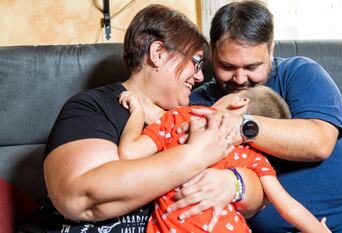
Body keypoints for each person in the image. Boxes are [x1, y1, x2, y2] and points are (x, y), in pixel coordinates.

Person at [18, 4, 262, 233]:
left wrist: (234, 183)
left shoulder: (192, 117)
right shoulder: (92, 107)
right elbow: (82, 197)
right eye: (196, 62)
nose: (199, 77)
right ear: (158, 53)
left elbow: (257, 194)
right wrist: (194, 157)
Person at [189, 1, 342, 232]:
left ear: (271, 50)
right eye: (227, 66)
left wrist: (241, 126)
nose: (239, 78)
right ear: (212, 52)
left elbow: (319, 143)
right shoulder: (198, 103)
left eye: (251, 66)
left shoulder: (298, 73)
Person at [117, 85, 331, 233]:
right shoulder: (253, 158)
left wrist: (137, 112)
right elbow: (289, 208)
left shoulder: (180, 117)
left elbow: (128, 153)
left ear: (240, 102)